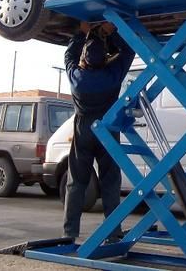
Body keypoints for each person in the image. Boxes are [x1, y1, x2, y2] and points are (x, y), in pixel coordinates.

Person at [63, 20, 135, 241]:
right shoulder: (112, 76)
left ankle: (70, 233)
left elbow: (68, 57)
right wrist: (111, 33)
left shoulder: (77, 78)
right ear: (105, 59)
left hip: (83, 128)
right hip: (107, 128)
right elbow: (128, 52)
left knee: (76, 182)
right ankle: (113, 232)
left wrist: (81, 34)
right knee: (110, 182)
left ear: (83, 60)